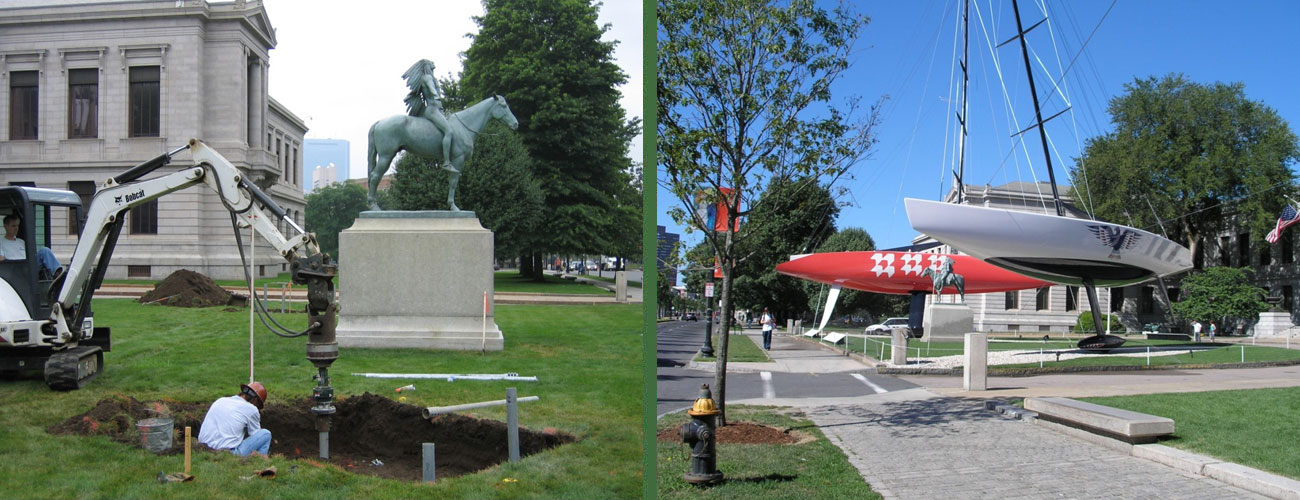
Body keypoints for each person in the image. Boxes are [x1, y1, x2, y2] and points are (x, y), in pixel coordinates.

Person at [401, 59, 456, 170]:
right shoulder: (428, 78)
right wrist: (435, 94)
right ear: (427, 65)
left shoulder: (429, 78)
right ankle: (446, 162)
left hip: (436, 109)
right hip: (432, 110)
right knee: (449, 131)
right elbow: (432, 89)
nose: (433, 63)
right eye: (431, 62)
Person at [198, 382, 272, 457]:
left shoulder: (221, 400)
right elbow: (255, 436)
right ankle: (260, 463)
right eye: (258, 406)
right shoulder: (252, 409)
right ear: (256, 400)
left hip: (203, 449)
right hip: (228, 453)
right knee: (266, 434)